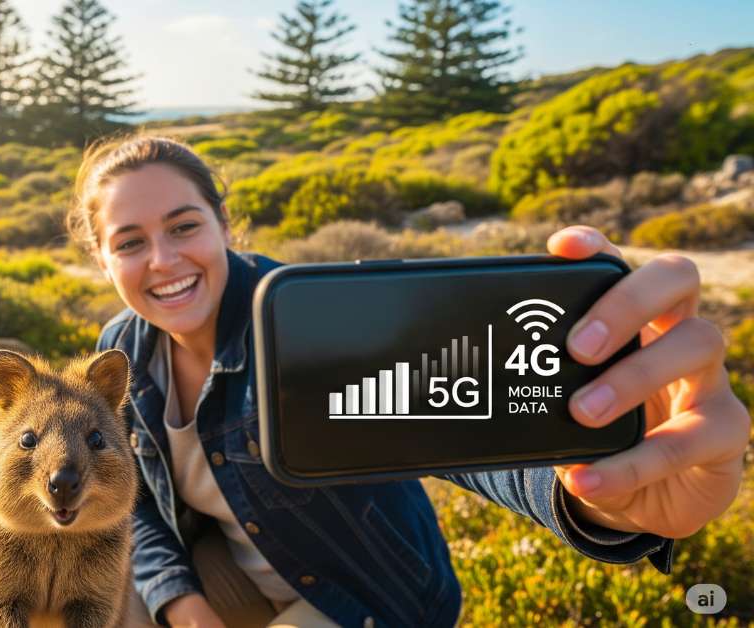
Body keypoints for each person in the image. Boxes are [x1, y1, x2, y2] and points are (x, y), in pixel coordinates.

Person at [68, 135, 750, 627]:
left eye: (184, 226)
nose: (163, 260)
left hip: (362, 598)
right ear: (101, 257)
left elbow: (466, 438)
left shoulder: (316, 323)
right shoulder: (122, 348)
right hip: (226, 574)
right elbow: (132, 501)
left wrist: (597, 497)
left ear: (223, 224)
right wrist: (179, 600)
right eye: (129, 242)